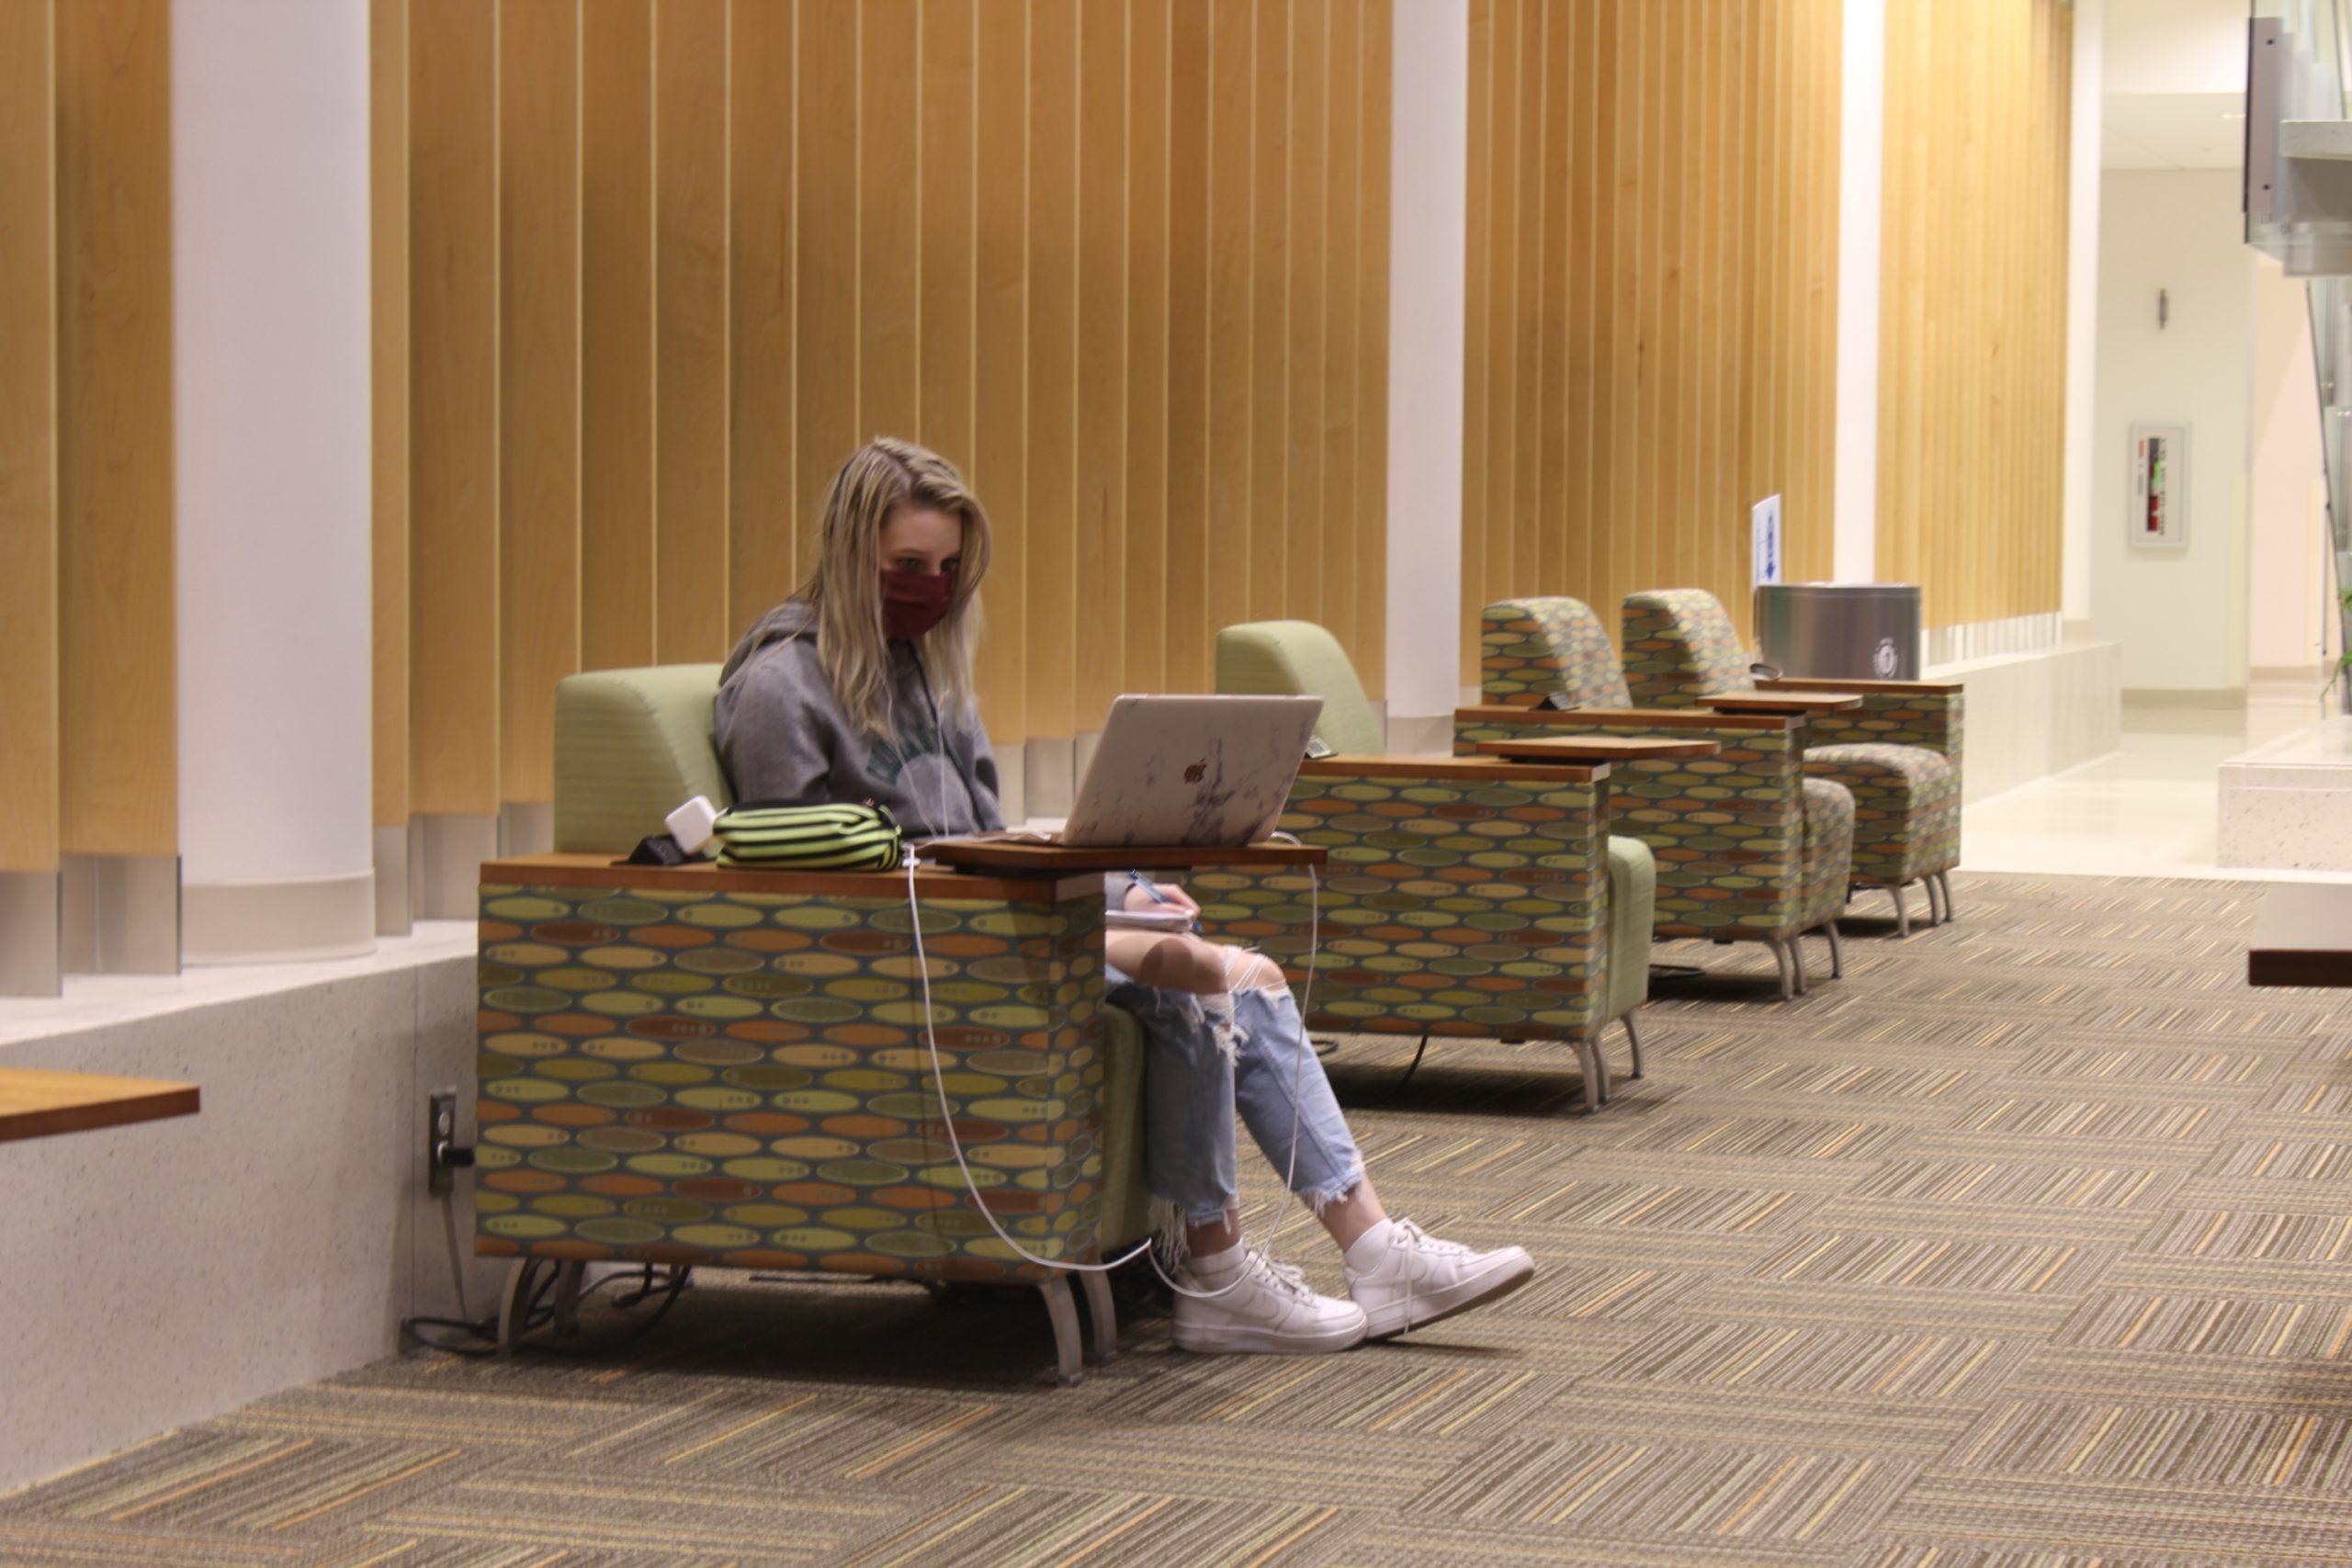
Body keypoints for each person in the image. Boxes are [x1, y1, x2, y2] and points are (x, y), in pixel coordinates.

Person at [715, 436, 1534, 1355]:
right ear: (847, 553)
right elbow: (790, 897)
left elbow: (976, 840)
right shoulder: (777, 687)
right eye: (908, 566)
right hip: (917, 955)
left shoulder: (930, 677)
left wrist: (1105, 887)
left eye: (946, 569)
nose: (930, 587)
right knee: (1193, 970)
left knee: (1248, 969)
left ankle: (1372, 1246)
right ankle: (1217, 1272)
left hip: (989, 921)